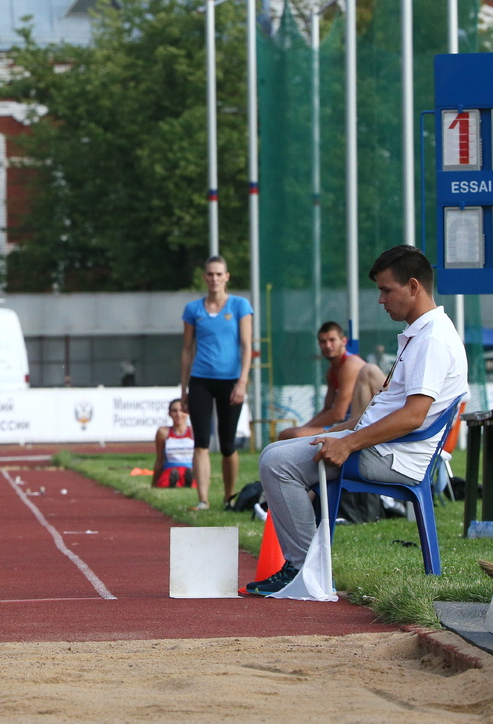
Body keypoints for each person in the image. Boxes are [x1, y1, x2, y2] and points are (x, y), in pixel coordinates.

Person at [247, 245, 467, 595]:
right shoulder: (423, 334)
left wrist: (347, 442)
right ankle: (306, 568)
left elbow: (413, 416)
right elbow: (386, 409)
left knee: (276, 461)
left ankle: (307, 573)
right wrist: (340, 431)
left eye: (385, 290)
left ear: (413, 286)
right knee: (282, 449)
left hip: (394, 456)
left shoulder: (433, 339)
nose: (380, 300)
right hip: (381, 446)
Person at [180, 256, 253, 511]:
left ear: (227, 277)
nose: (214, 279)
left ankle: (228, 497)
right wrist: (184, 390)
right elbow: (187, 350)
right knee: (200, 440)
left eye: (218, 274)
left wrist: (242, 382)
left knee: (227, 442)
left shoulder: (240, 305)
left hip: (231, 380)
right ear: (204, 277)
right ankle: (203, 499)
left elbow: (246, 346)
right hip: (201, 380)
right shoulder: (193, 310)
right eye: (210, 274)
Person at [277, 322, 386, 441]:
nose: (328, 345)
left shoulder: (350, 365)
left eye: (332, 340)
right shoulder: (332, 370)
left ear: (343, 341)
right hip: (346, 422)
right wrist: (304, 427)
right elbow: (327, 408)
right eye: (323, 342)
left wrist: (302, 430)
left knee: (297, 436)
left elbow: (338, 413)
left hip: (362, 425)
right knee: (286, 433)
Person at [152, 399, 195, 488]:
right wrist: (154, 483)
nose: (178, 415)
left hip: (190, 469)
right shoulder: (163, 433)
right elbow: (159, 460)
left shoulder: (194, 432)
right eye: (174, 411)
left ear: (187, 412)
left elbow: (202, 457)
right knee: (167, 480)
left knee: (192, 477)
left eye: (182, 410)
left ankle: (188, 480)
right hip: (170, 469)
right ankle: (173, 482)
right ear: (169, 414)